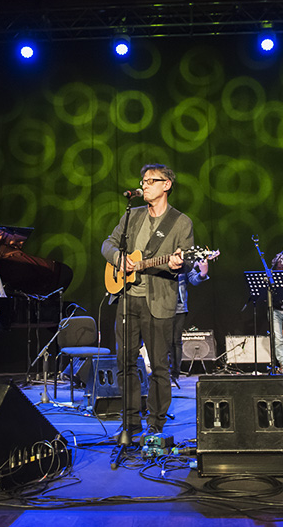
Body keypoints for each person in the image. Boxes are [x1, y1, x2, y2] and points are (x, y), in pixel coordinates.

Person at [101, 163, 194, 439]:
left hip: (160, 302)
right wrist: (120, 260)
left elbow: (187, 260)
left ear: (167, 185)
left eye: (152, 180)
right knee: (124, 363)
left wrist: (178, 264)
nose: (145, 185)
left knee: (159, 367)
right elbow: (108, 243)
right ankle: (130, 423)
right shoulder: (133, 215)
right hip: (128, 300)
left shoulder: (180, 222)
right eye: (143, 180)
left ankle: (155, 424)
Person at [170, 258, 210, 382]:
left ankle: (174, 375)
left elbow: (194, 280)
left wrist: (203, 273)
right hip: (158, 306)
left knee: (175, 341)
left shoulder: (185, 262)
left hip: (179, 308)